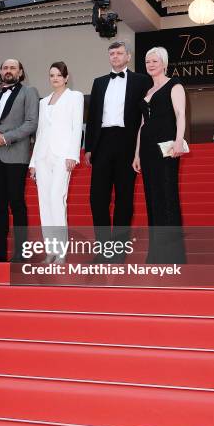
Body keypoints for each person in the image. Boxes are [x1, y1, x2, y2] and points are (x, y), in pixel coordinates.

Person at [84, 41, 151, 262]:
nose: (115, 56)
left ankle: (118, 251)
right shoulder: (99, 82)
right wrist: (89, 147)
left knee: (124, 198)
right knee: (97, 198)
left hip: (128, 142)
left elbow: (146, 115)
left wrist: (142, 149)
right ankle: (103, 250)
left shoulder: (142, 81)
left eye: (119, 53)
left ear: (128, 56)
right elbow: (92, 117)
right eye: (111, 53)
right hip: (102, 142)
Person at [0, 59, 39, 263]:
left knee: (17, 203)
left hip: (17, 156)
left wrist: (6, 137)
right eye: (5, 67)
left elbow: (32, 123)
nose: (8, 70)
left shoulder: (29, 92)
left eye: (13, 68)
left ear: (20, 72)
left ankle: (21, 253)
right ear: (0, 71)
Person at [133, 47, 187, 264]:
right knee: (152, 199)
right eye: (148, 61)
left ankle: (172, 254)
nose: (151, 64)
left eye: (155, 61)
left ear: (164, 63)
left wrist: (178, 141)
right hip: (146, 150)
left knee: (167, 197)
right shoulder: (147, 91)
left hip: (166, 147)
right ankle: (156, 253)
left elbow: (181, 114)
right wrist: (136, 154)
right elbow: (142, 125)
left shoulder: (174, 85)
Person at [29, 62, 84, 263]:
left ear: (66, 77)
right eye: (52, 75)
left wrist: (73, 155)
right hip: (43, 155)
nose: (55, 78)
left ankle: (61, 252)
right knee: (44, 203)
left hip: (62, 155)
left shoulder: (75, 97)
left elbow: (77, 127)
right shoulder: (43, 102)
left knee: (56, 198)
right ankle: (50, 250)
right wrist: (33, 162)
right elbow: (40, 132)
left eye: (59, 75)